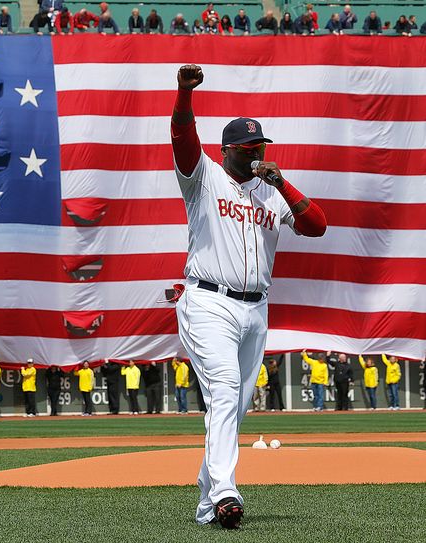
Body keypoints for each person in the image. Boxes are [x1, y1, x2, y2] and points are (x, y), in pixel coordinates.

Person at [172, 64, 327, 529]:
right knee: (223, 389)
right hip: (208, 301)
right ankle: (225, 492)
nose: (258, 152)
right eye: (248, 147)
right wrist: (184, 93)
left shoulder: (270, 192)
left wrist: (281, 182)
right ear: (229, 151)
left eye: (261, 145)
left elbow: (317, 225)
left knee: (235, 407)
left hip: (256, 307)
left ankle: (205, 500)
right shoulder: (204, 178)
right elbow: (182, 137)